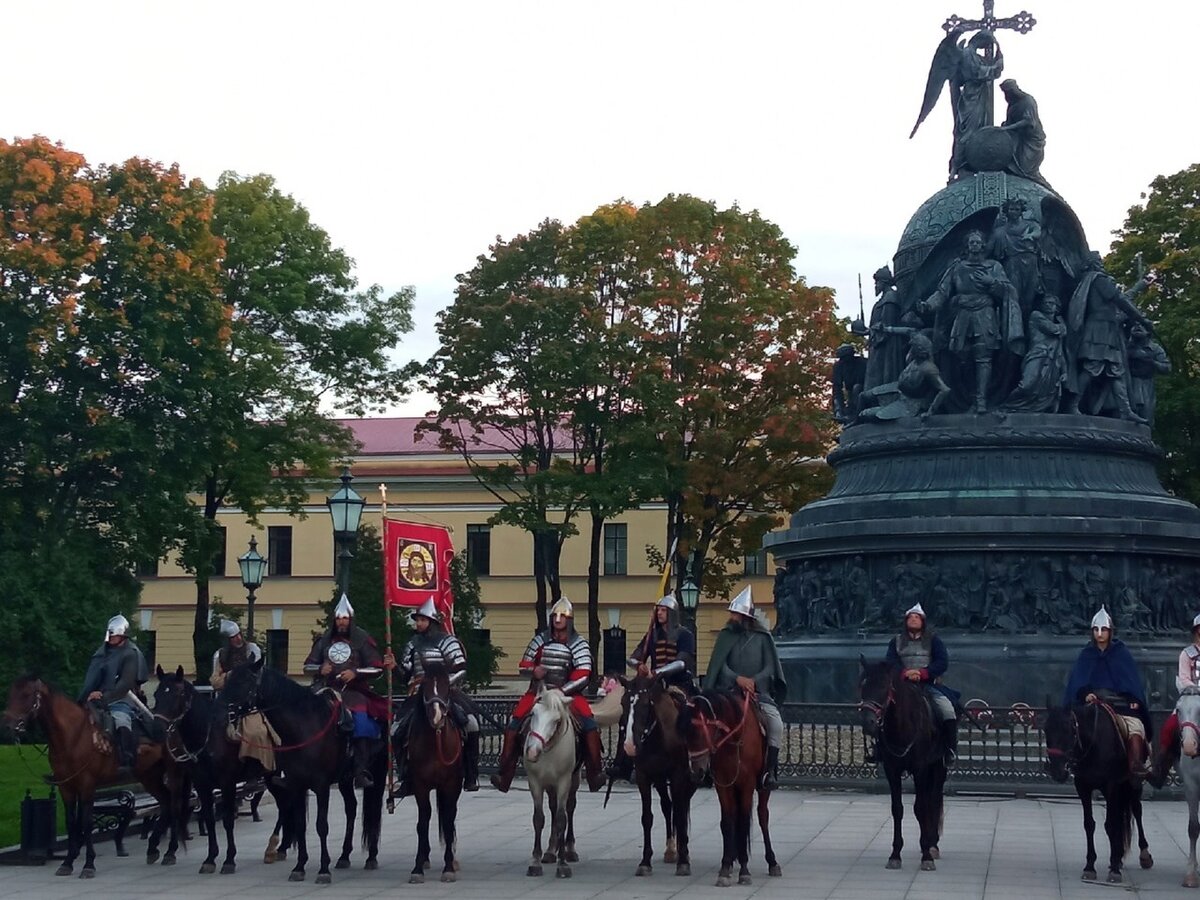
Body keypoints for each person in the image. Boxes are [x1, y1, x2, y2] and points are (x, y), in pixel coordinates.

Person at [490, 597, 605, 793]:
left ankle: (595, 772)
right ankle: (505, 774)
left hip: (568, 695)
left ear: (569, 620)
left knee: (589, 725)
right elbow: (523, 665)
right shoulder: (540, 640)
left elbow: (583, 675)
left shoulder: (579, 644)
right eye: (555, 616)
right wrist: (533, 671)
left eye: (562, 616)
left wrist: (561, 692)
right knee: (513, 726)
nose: (558, 620)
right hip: (538, 693)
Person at [919, 229, 1023, 413]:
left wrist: (992, 282)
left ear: (983, 245)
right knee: (962, 355)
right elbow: (942, 292)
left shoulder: (993, 267)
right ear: (967, 246)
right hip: (963, 316)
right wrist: (928, 305)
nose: (974, 245)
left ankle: (981, 400)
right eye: (971, 243)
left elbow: (1009, 291)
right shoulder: (957, 267)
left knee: (983, 355)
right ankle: (967, 396)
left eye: (978, 242)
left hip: (985, 314)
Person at [303, 594, 393, 788]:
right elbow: (307, 666)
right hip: (326, 690)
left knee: (360, 722)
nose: (341, 622)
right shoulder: (324, 640)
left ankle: (360, 770)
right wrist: (320, 669)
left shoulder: (361, 639)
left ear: (350, 619)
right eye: (338, 618)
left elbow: (377, 668)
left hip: (353, 692)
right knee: (302, 718)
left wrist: (355, 672)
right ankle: (299, 766)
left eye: (344, 618)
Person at [703, 586, 787, 790]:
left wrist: (754, 681)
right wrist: (737, 679)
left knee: (776, 725)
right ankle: (706, 768)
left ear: (744, 616)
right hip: (729, 693)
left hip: (758, 693)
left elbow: (770, 667)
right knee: (706, 722)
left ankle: (769, 771)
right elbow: (720, 665)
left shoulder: (763, 637)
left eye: (735, 614)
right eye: (732, 613)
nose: (731, 617)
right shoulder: (725, 636)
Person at [393, 597, 480, 795]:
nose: (419, 624)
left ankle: (470, 774)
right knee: (396, 730)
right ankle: (405, 775)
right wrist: (393, 668)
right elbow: (405, 675)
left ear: (432, 621)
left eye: (422, 620)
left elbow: (460, 669)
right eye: (417, 620)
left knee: (471, 724)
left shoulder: (448, 642)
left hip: (445, 693)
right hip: (419, 693)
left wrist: (442, 684)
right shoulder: (413, 643)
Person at [608, 593, 698, 781]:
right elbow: (633, 656)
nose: (660, 613)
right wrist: (638, 665)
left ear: (672, 613)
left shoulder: (684, 635)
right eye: (659, 610)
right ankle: (623, 761)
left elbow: (682, 662)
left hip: (678, 683)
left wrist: (658, 672)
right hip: (655, 685)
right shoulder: (652, 635)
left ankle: (693, 758)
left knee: (690, 714)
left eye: (664, 610)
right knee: (632, 711)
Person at [1063, 606, 1153, 779]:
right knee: (1073, 727)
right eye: (1096, 629)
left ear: (1110, 631)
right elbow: (1077, 683)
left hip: (1119, 704)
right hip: (1092, 704)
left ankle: (1135, 764)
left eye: (1103, 629)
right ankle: (1072, 763)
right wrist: (1085, 694)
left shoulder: (1121, 653)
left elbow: (1130, 682)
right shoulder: (1086, 654)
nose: (1100, 633)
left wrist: (1131, 699)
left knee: (1135, 726)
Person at [1065, 253, 1155, 422]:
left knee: (1116, 371)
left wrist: (1141, 285)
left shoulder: (1091, 281)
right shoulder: (1099, 280)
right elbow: (1121, 299)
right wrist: (1142, 319)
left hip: (1108, 330)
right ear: (1093, 264)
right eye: (1099, 261)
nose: (1101, 264)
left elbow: (1124, 298)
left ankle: (1126, 410)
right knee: (1092, 367)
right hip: (1098, 330)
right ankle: (1072, 404)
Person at [885, 603, 960, 766]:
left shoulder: (933, 640)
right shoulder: (896, 641)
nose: (913, 620)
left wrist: (922, 673)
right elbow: (890, 662)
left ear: (922, 621)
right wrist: (904, 673)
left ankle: (949, 749)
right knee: (883, 711)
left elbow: (942, 662)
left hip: (928, 685)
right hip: (902, 686)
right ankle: (880, 750)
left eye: (916, 617)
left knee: (947, 710)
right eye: (910, 617)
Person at [78, 614, 150, 772]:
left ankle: (126, 757)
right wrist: (88, 695)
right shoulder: (102, 653)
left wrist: (103, 696)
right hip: (95, 697)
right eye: (110, 634)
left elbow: (125, 683)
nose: (110, 637)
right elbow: (93, 678)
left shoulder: (131, 653)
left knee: (121, 720)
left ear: (122, 635)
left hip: (122, 698)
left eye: (114, 634)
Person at [1148, 613, 1200, 788]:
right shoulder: (1187, 654)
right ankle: (1160, 771)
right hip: (1191, 698)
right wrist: (1195, 689)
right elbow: (1184, 678)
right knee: (1169, 728)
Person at [1003, 294, 1067, 412]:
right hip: (1037, 355)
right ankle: (1006, 405)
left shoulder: (1058, 328)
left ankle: (1035, 412)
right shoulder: (1036, 316)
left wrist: (1064, 371)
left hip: (1052, 360)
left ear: (1057, 307)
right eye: (1045, 303)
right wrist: (1063, 326)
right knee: (1026, 385)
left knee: (1047, 393)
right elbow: (1053, 329)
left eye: (1051, 303)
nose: (1048, 305)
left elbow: (1060, 351)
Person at [999, 79, 1048, 187]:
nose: (1007, 95)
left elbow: (1028, 121)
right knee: (1011, 160)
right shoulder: (1012, 105)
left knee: (1026, 167)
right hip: (1017, 138)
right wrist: (1005, 126)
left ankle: (1038, 183)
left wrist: (1008, 128)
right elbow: (1010, 121)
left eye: (1008, 92)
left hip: (1031, 139)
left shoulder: (1027, 101)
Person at [210, 619, 262, 691]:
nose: (238, 638)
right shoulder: (219, 654)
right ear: (227, 640)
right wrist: (229, 675)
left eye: (239, 634)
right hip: (229, 695)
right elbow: (215, 683)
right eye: (233, 637)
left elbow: (256, 674)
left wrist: (231, 675)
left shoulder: (251, 649)